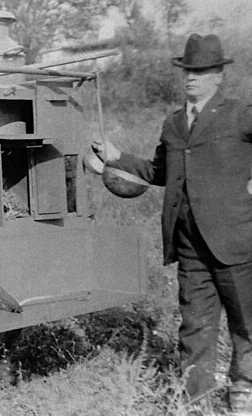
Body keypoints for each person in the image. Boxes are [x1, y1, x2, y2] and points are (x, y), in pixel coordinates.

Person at [93, 33, 252, 413]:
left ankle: (243, 389)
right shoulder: (174, 123)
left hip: (235, 240)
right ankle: (195, 400)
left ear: (218, 76)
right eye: (188, 71)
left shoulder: (239, 113)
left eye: (202, 71)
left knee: (246, 323)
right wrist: (117, 157)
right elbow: (157, 171)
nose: (192, 78)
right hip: (189, 245)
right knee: (195, 326)